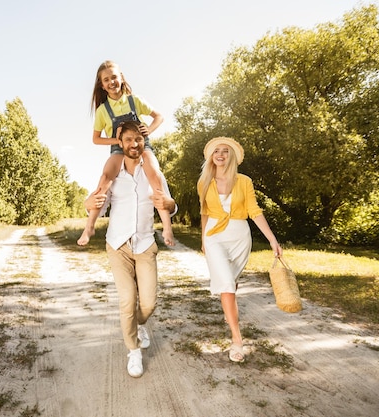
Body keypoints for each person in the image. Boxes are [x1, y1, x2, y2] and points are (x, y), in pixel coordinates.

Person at [84, 120, 177, 378]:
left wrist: (169, 216)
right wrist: (87, 204)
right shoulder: (114, 176)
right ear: (120, 142)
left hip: (146, 243)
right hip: (118, 245)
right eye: (128, 140)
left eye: (138, 139)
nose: (134, 144)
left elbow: (166, 203)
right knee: (127, 300)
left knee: (148, 303)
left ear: (143, 141)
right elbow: (98, 205)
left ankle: (139, 324)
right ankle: (133, 350)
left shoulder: (154, 173)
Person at [197, 137, 282, 363]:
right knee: (226, 284)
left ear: (231, 156)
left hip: (239, 236)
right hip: (214, 235)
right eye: (217, 151)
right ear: (211, 156)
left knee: (230, 284)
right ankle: (237, 340)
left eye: (225, 151)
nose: (221, 154)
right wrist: (203, 238)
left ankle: (230, 303)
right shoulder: (204, 181)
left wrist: (272, 239)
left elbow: (254, 210)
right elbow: (204, 211)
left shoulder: (244, 181)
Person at [77, 60, 174, 247]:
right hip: (118, 149)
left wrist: (149, 131)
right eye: (106, 80)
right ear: (102, 85)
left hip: (142, 145)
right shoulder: (102, 111)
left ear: (121, 78)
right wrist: (118, 141)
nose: (111, 81)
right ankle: (89, 226)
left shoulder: (134, 100)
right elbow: (96, 139)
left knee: (155, 177)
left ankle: (167, 227)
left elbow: (159, 116)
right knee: (105, 179)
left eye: (114, 77)